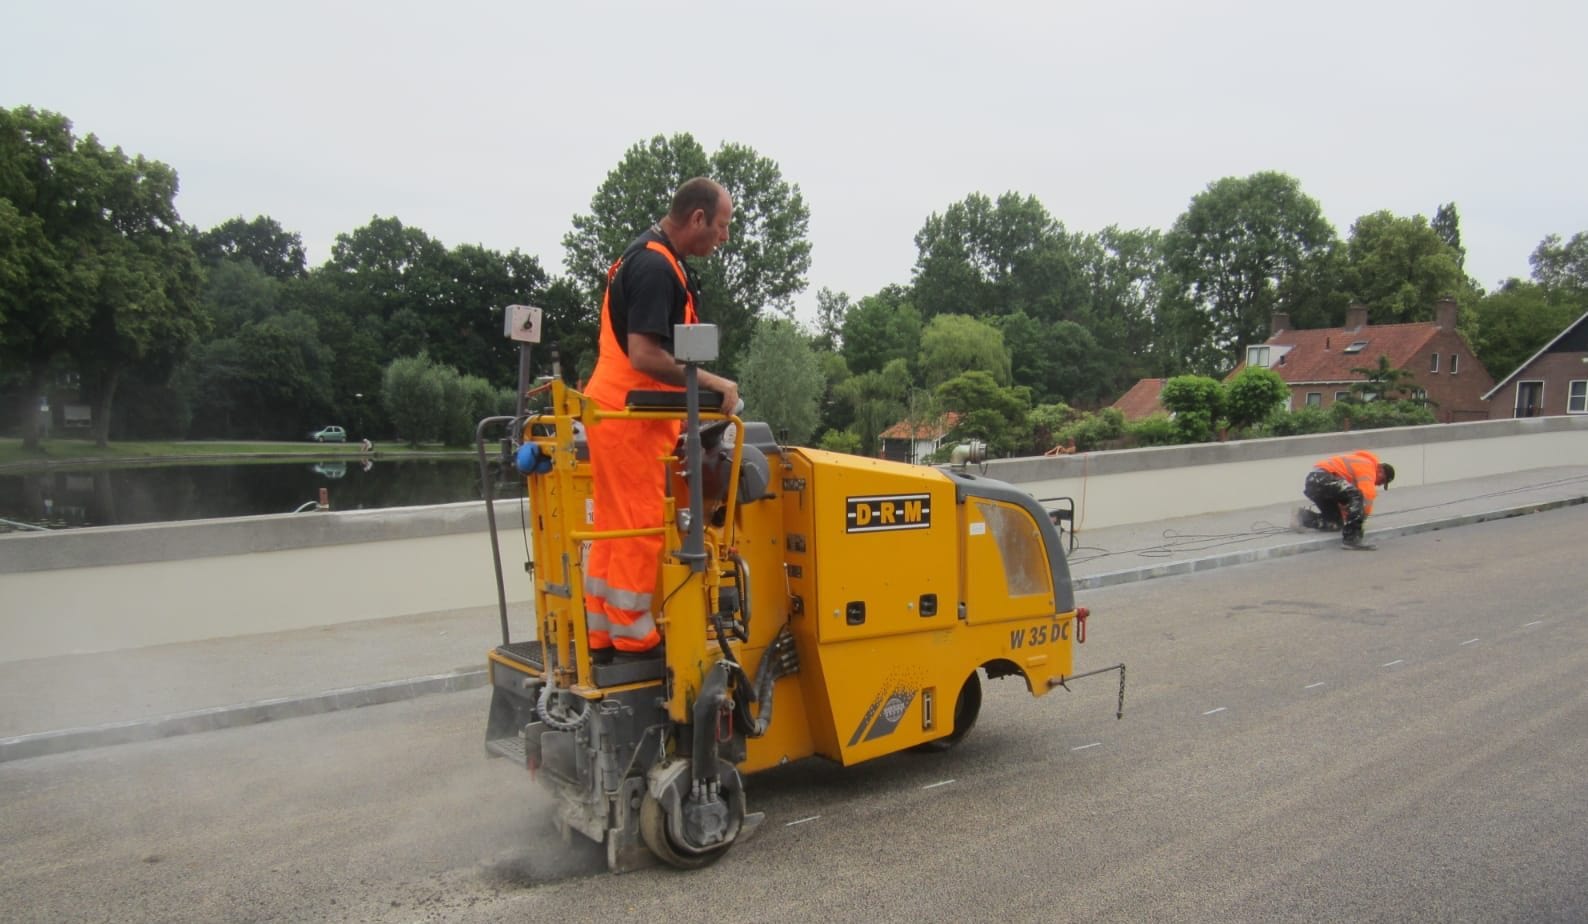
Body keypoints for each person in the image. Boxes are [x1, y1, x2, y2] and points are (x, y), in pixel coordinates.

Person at [581, 178, 740, 664]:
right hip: (630, 417)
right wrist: (712, 383)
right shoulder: (654, 267)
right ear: (697, 218)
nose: (724, 237)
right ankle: (633, 639)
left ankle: (602, 635)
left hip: (618, 412)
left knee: (614, 526)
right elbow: (646, 355)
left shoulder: (651, 258)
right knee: (639, 523)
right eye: (722, 226)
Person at [1296, 450, 1394, 551]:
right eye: (1382, 481)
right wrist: (1361, 518)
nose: (1378, 484)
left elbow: (1344, 498)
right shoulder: (1368, 466)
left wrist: (1350, 516)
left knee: (1335, 523)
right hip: (1322, 478)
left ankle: (1302, 517)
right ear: (1380, 471)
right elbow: (1367, 495)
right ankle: (1352, 539)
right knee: (1357, 495)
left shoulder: (1355, 469)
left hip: (1314, 482)